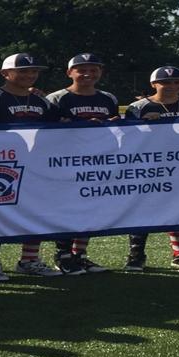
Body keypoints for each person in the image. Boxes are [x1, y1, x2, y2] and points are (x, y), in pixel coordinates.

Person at [0, 52, 65, 280]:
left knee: (37, 212)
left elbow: (60, 130)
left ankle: (30, 259)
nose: (29, 75)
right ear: (5, 73)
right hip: (1, 166)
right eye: (22, 71)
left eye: (33, 71)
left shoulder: (41, 101)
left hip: (37, 167)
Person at [124, 66, 179, 271]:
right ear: (154, 84)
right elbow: (126, 138)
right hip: (147, 166)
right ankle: (136, 255)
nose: (172, 86)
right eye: (166, 82)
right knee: (142, 208)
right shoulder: (138, 107)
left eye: (177, 82)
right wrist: (143, 124)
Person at [46, 52, 120, 276]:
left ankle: (80, 255)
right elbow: (48, 130)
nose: (88, 73)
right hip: (65, 161)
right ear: (70, 72)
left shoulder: (108, 98)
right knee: (66, 209)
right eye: (82, 69)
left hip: (96, 161)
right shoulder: (56, 98)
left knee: (88, 209)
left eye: (94, 69)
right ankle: (63, 255)